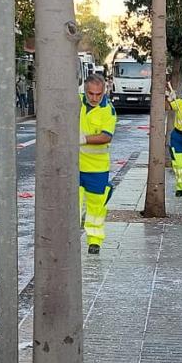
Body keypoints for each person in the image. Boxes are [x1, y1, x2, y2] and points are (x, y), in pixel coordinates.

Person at [79, 74, 117, 254]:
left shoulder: (108, 110)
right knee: (71, 205)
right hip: (74, 166)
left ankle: (94, 241)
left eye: (98, 94)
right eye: (91, 94)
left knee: (96, 208)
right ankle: (68, 240)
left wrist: (83, 139)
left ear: (104, 92)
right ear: (85, 90)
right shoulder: (76, 102)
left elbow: (106, 136)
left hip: (97, 168)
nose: (94, 98)